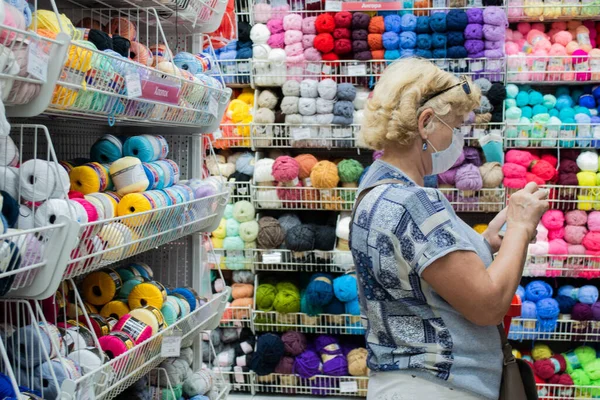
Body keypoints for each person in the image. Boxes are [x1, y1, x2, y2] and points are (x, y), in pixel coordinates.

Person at [351, 58, 548, 400]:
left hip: (397, 383)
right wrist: (519, 226)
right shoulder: (416, 202)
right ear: (426, 123)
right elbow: (488, 306)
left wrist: (483, 244)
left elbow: (416, 274)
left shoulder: (373, 189)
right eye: (456, 125)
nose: (460, 137)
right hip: (443, 386)